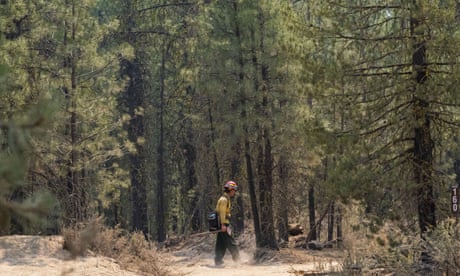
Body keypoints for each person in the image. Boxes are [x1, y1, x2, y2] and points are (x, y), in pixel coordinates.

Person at [214, 180, 240, 267]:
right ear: (230, 189)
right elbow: (222, 213)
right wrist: (223, 224)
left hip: (222, 224)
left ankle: (218, 261)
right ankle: (237, 260)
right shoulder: (224, 200)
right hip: (224, 224)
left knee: (221, 244)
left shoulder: (224, 199)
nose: (234, 192)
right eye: (234, 190)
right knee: (231, 242)